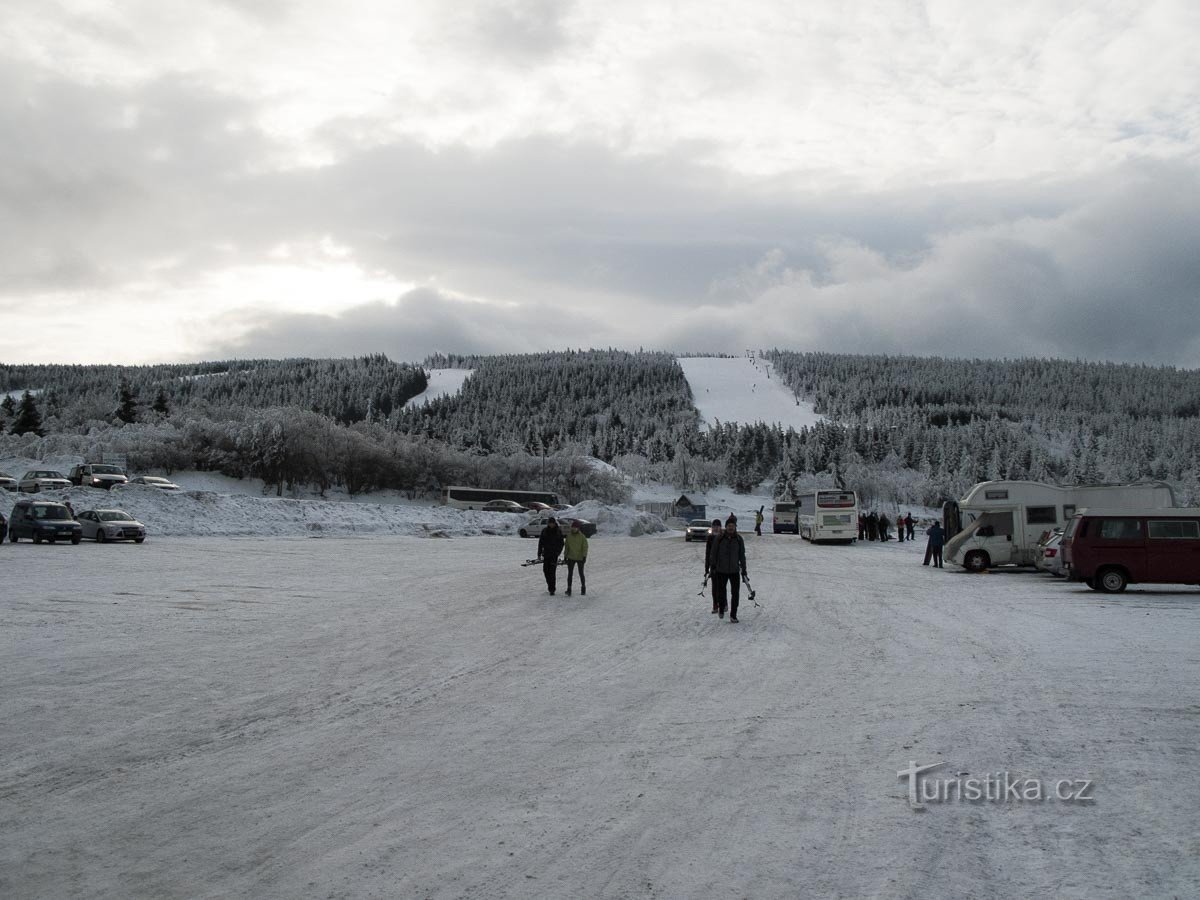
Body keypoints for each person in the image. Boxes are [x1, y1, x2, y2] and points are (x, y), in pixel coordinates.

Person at [708, 515, 747, 622]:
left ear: (735, 527)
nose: (731, 528)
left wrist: (744, 570)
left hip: (734, 570)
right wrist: (713, 567)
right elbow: (713, 553)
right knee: (721, 592)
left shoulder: (739, 539)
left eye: (732, 526)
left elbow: (742, 556)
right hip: (721, 570)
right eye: (729, 526)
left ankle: (733, 615)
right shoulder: (719, 539)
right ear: (726, 527)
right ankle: (721, 608)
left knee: (735, 594)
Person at [536, 518, 564, 595]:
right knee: (545, 571)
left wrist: (558, 552)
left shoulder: (558, 531)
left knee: (552, 572)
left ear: (555, 523)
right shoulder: (544, 531)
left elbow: (561, 543)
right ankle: (549, 585)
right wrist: (539, 553)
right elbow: (540, 543)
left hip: (554, 555)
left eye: (552, 523)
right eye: (550, 523)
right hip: (546, 554)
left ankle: (552, 589)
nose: (551, 524)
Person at [564, 520, 589, 596]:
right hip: (571, 557)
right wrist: (565, 556)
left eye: (575, 527)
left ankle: (583, 588)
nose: (574, 529)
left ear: (578, 528)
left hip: (580, 557)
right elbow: (566, 547)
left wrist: (584, 556)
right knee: (570, 574)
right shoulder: (569, 536)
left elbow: (585, 547)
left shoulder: (582, 537)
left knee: (581, 573)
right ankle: (569, 589)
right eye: (573, 527)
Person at [704, 518, 722, 614]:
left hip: (723, 566)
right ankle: (715, 604)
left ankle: (723, 603)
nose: (715, 528)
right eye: (714, 526)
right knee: (714, 587)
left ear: (720, 527)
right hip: (714, 566)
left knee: (722, 586)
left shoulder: (723, 537)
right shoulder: (710, 538)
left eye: (717, 526)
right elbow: (708, 553)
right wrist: (707, 567)